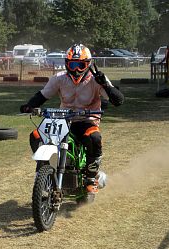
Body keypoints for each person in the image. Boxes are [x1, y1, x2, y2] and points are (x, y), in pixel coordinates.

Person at [20, 43, 124, 194]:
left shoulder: (97, 79)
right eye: (73, 64)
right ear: (67, 64)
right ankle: (44, 170)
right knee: (36, 136)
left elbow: (118, 100)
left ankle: (90, 177)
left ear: (88, 64)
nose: (76, 69)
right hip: (62, 121)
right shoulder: (59, 78)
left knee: (94, 138)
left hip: (87, 121)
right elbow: (43, 95)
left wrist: (106, 86)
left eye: (80, 65)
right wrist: (29, 106)